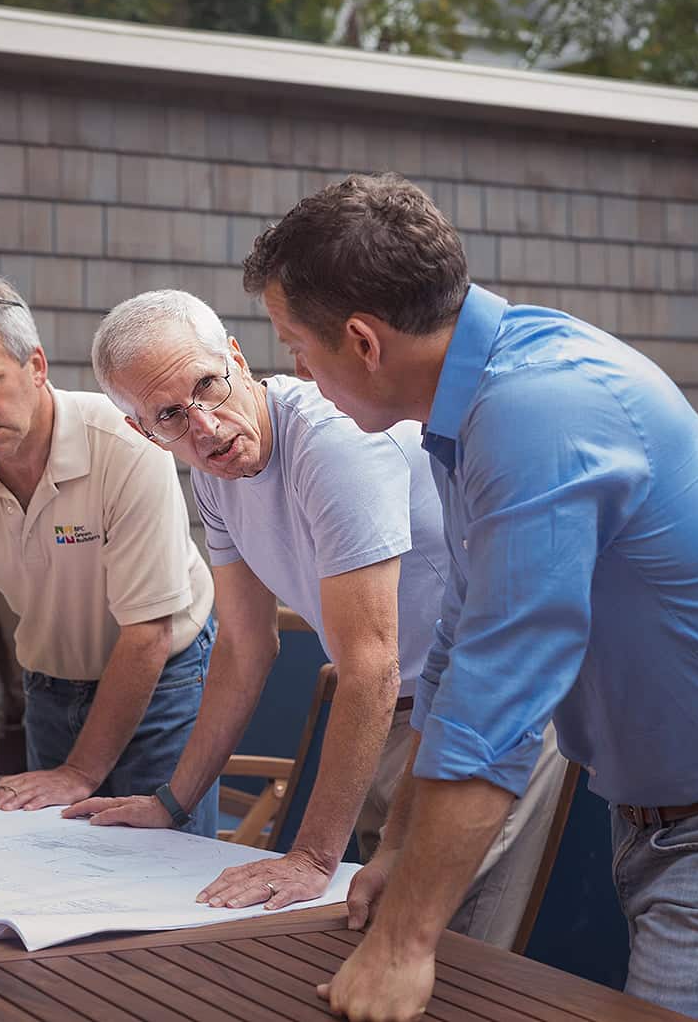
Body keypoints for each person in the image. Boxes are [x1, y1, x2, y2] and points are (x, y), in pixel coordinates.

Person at [244, 174, 698, 1022]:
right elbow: (460, 650)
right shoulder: (472, 401)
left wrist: (403, 943)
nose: (296, 372)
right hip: (690, 816)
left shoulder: (535, 410)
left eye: (295, 346)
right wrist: (396, 845)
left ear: (362, 340)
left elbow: (498, 704)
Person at [69, 289, 567, 941]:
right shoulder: (214, 475)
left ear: (238, 359)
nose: (206, 427)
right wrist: (172, 801)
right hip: (387, 717)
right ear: (142, 430)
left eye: (209, 386)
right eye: (169, 415)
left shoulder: (330, 441)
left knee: (439, 950)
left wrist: (309, 856)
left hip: (486, 695)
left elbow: (369, 663)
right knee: (364, 928)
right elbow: (245, 647)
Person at [0, 273, 219, 838]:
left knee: (162, 881)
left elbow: (147, 631)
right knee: (52, 872)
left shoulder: (127, 445)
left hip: (166, 679)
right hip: (49, 684)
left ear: (37, 367)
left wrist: (80, 771)